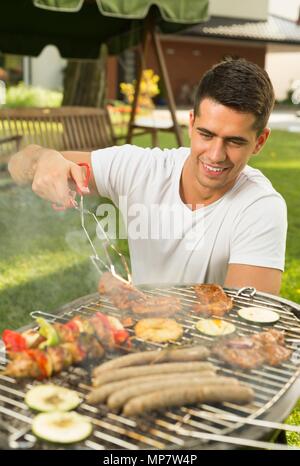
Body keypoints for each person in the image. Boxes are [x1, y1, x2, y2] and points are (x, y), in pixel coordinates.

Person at [8, 58, 287, 294]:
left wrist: (141, 304)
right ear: (191, 124)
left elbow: (244, 328)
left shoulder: (260, 207)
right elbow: (19, 164)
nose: (215, 154)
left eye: (235, 142)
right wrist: (44, 160)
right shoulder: (140, 169)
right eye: (206, 134)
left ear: (260, 141)